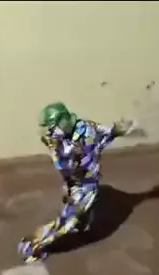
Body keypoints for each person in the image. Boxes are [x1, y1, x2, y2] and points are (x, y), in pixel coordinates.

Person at [18, 102, 138, 263]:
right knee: (73, 209)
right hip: (71, 181)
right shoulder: (55, 139)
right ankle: (79, 221)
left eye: (52, 128)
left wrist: (118, 130)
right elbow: (59, 156)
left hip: (85, 185)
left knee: (67, 221)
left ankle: (32, 246)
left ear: (63, 123)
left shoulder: (87, 131)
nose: (49, 133)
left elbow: (105, 133)